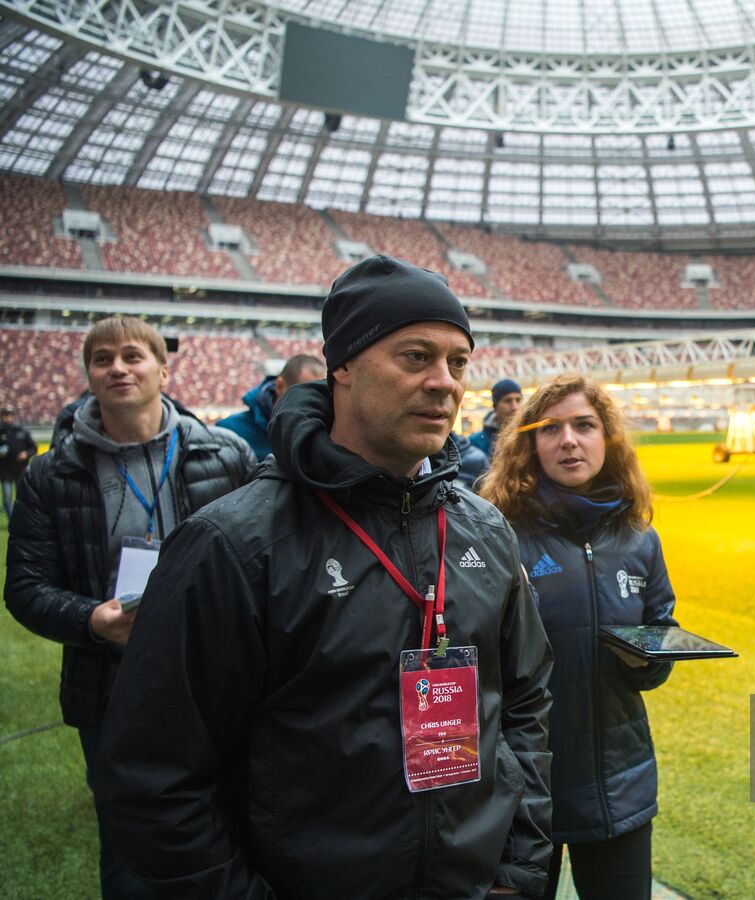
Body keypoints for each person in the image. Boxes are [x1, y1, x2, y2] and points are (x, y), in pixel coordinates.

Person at [94, 255, 554, 898]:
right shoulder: (234, 544)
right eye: (416, 356)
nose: (444, 382)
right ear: (342, 364)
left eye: (458, 362)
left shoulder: (485, 529)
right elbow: (154, 777)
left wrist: (517, 875)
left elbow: (526, 704)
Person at [4, 316, 256, 898]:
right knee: (130, 844)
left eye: (132, 356)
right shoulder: (50, 474)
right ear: (88, 377)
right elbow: (25, 588)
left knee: (234, 818)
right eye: (102, 359)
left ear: (163, 370)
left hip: (218, 675)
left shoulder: (228, 455)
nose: (118, 367)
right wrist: (93, 622)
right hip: (110, 685)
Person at [479, 373, 677, 900]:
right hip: (522, 795)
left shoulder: (639, 536)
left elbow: (661, 626)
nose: (569, 440)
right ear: (530, 444)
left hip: (619, 784)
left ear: (607, 438)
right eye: (552, 428)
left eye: (584, 425)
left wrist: (651, 658)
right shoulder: (498, 533)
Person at [216, 353, 327, 459]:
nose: (314, 405)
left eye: (321, 396)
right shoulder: (230, 432)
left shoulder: (324, 433)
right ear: (279, 386)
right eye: (304, 397)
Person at [469, 378, 523, 461]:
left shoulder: (529, 436)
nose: (515, 407)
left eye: (518, 400)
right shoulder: (475, 442)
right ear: (495, 405)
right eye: (508, 401)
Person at [0, 405, 38, 519]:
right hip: (5, 470)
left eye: (10, 415)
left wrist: (26, 454)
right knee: (7, 498)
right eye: (6, 415)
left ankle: (22, 519)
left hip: (20, 469)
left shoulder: (22, 431)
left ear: (13, 416)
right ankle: (12, 520)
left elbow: (33, 448)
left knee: (22, 497)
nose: (8, 418)